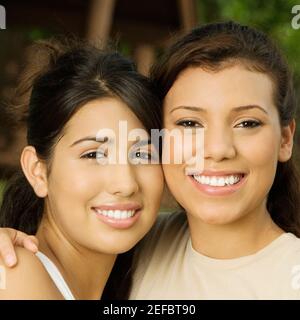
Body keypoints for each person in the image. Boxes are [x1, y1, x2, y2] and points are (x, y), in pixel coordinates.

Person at [1, 21, 300, 299]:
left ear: (285, 138)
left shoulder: (133, 244)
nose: (218, 149)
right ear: (37, 171)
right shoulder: (137, 242)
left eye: (247, 123)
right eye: (190, 124)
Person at [0, 39, 164, 299]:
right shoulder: (13, 271)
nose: (126, 183)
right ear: (37, 171)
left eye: (142, 154)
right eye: (93, 154)